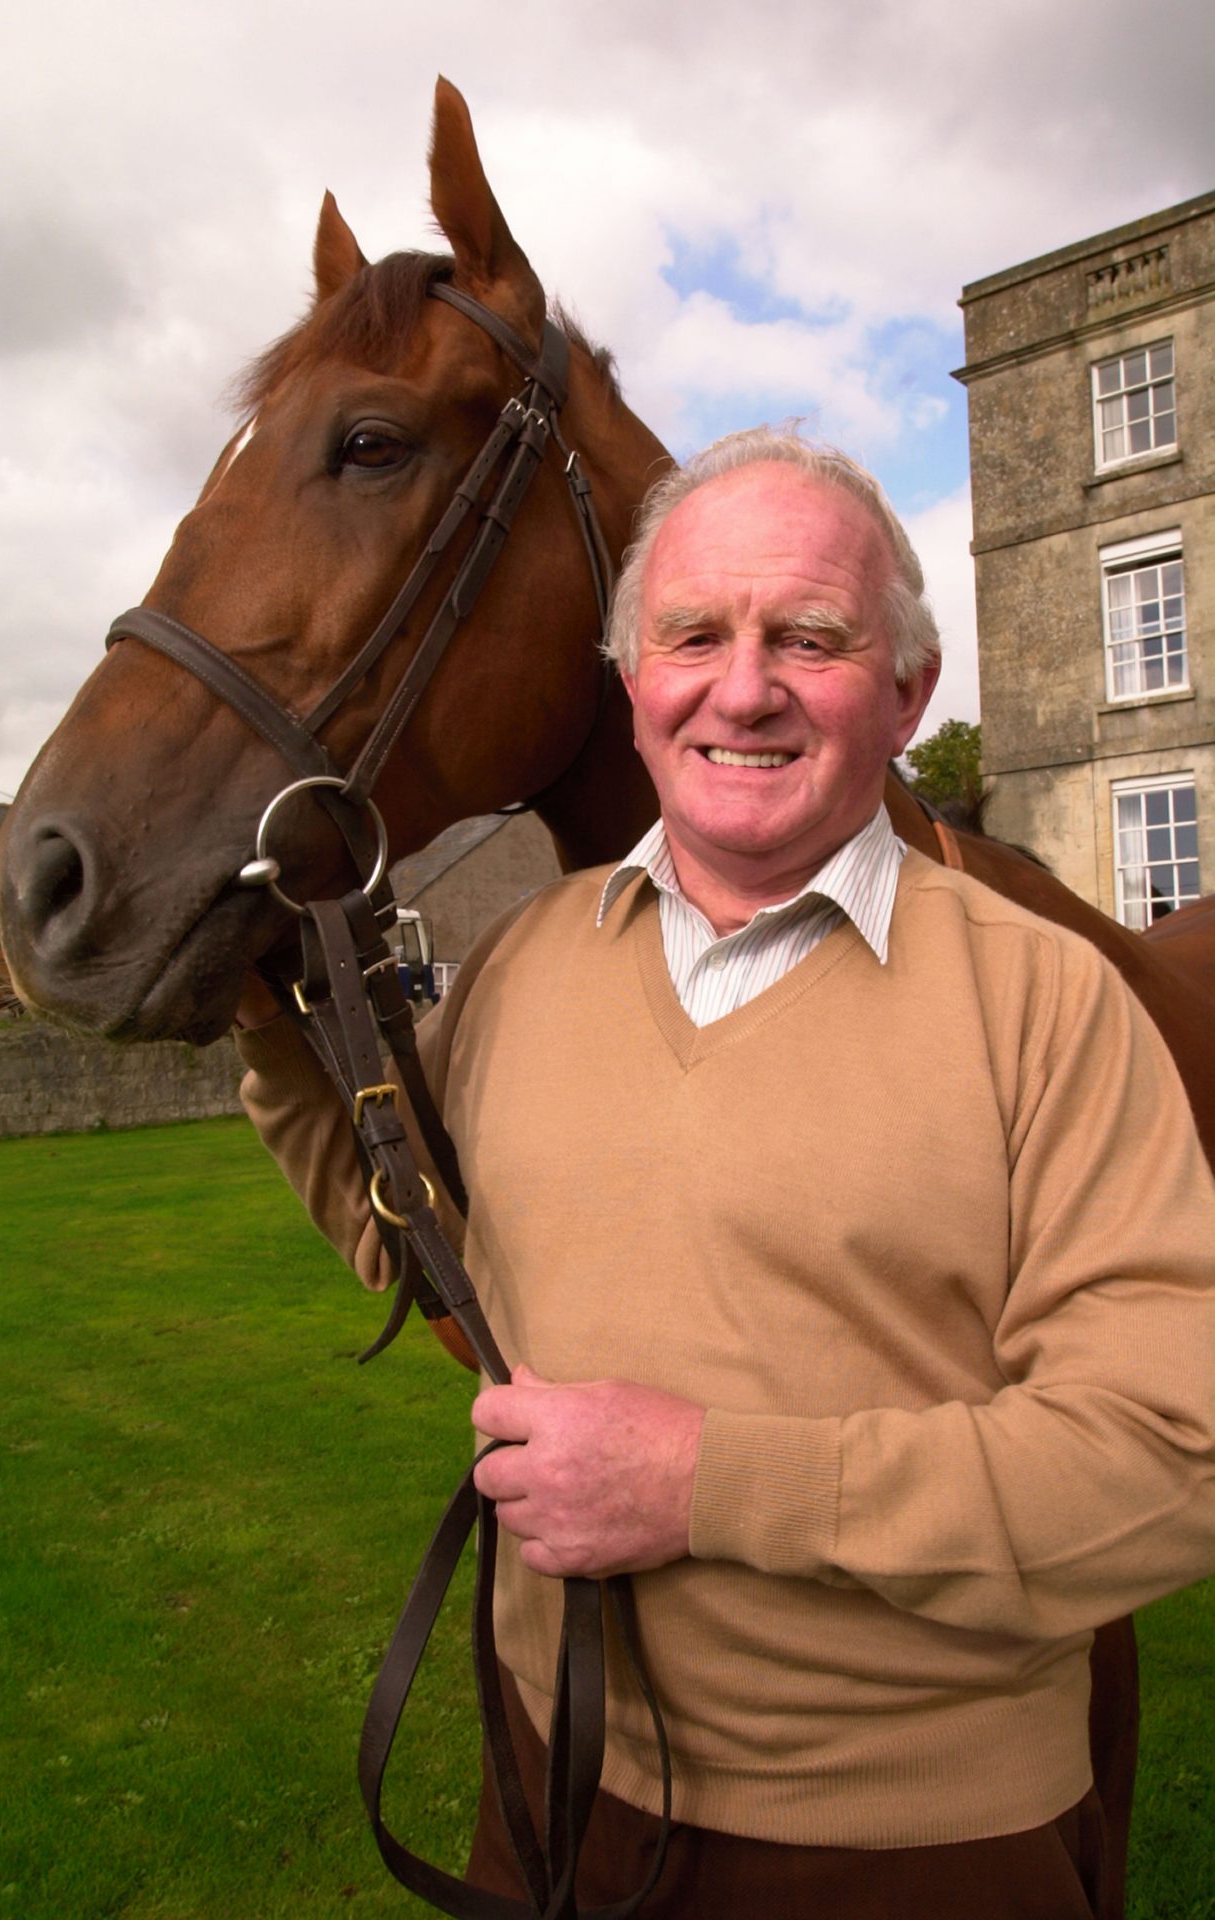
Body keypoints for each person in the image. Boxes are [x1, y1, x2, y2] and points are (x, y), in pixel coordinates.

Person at [235, 426, 1215, 1919]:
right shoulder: (525, 960)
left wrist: (706, 1485)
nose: (742, 689)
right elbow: (407, 1230)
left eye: (808, 638)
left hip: (910, 1849)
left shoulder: (1045, 1003)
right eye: (693, 635)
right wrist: (261, 1010)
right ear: (632, 682)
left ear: (909, 693)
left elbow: (1167, 1461)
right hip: (547, 1775)